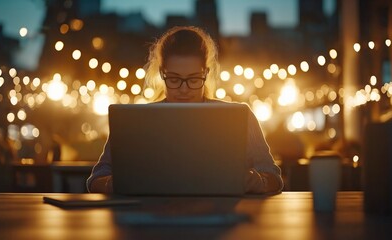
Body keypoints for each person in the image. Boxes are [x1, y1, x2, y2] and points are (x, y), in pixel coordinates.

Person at [87, 26, 283, 194]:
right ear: (162, 74)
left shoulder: (240, 117)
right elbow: (96, 179)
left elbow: (274, 176)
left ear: (206, 73)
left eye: (193, 79)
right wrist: (118, 183)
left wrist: (259, 182)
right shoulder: (135, 121)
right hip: (150, 216)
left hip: (221, 217)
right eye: (174, 79)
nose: (183, 89)